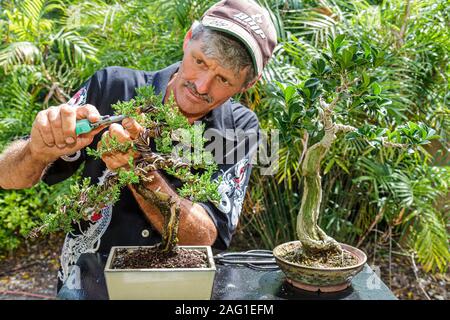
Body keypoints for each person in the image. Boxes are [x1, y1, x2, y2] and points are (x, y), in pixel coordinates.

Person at [0, 0, 277, 299]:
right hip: (86, 285)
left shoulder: (241, 129)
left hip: (179, 292)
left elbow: (206, 236)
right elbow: (8, 177)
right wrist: (36, 151)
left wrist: (138, 170)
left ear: (247, 85)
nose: (202, 85)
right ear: (187, 40)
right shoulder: (111, 88)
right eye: (200, 61)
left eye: (223, 79)